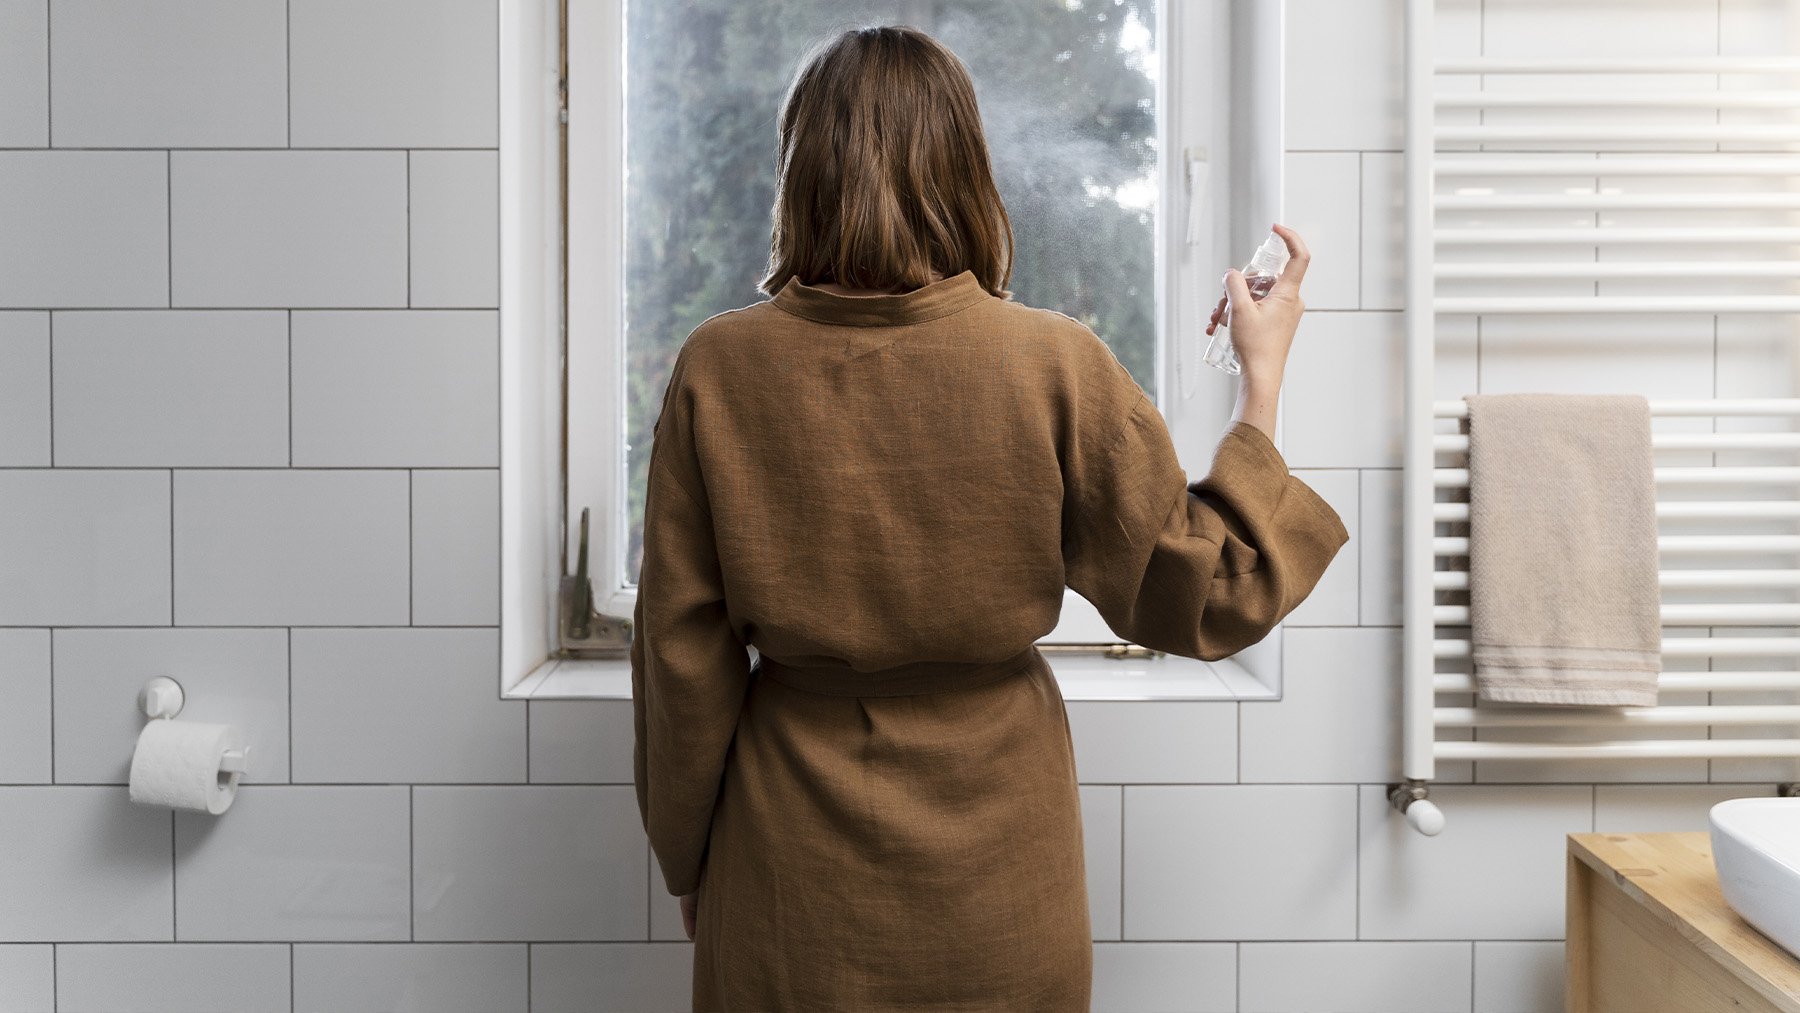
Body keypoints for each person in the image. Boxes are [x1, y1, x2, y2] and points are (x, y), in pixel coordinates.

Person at [629, 24, 1349, 1012]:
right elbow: (1216, 589)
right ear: (964, 169)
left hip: (786, 868)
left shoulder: (720, 367)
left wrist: (686, 856)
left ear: (803, 172)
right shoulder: (1051, 362)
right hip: (1003, 874)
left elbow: (680, 662)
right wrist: (1259, 383)